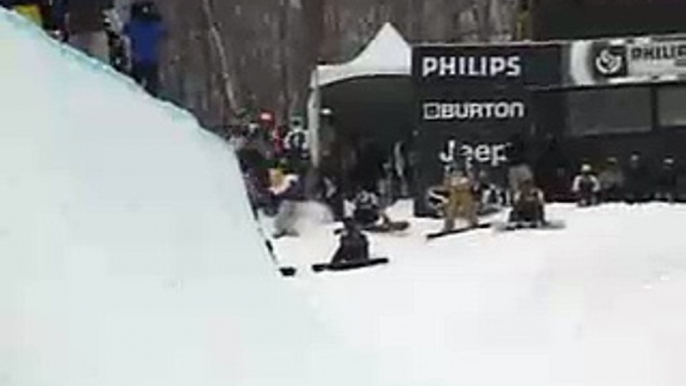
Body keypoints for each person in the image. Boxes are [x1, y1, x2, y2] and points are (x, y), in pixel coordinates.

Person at [124, 1, 165, 96]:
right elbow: (164, 33)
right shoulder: (156, 26)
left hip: (137, 61)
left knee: (134, 89)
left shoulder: (133, 26)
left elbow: (125, 32)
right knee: (152, 90)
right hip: (152, 61)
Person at [441, 164, 478, 231]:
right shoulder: (450, 170)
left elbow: (471, 179)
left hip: (464, 190)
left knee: (468, 207)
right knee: (451, 209)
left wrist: (471, 186)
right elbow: (447, 180)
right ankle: (448, 225)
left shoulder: (465, 169)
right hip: (454, 191)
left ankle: (473, 221)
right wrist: (447, 189)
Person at [270, 168, 304, 238]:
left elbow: (293, 190)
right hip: (288, 199)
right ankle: (285, 229)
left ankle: (287, 229)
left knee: (293, 213)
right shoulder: (285, 180)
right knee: (286, 213)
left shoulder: (291, 179)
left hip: (292, 199)